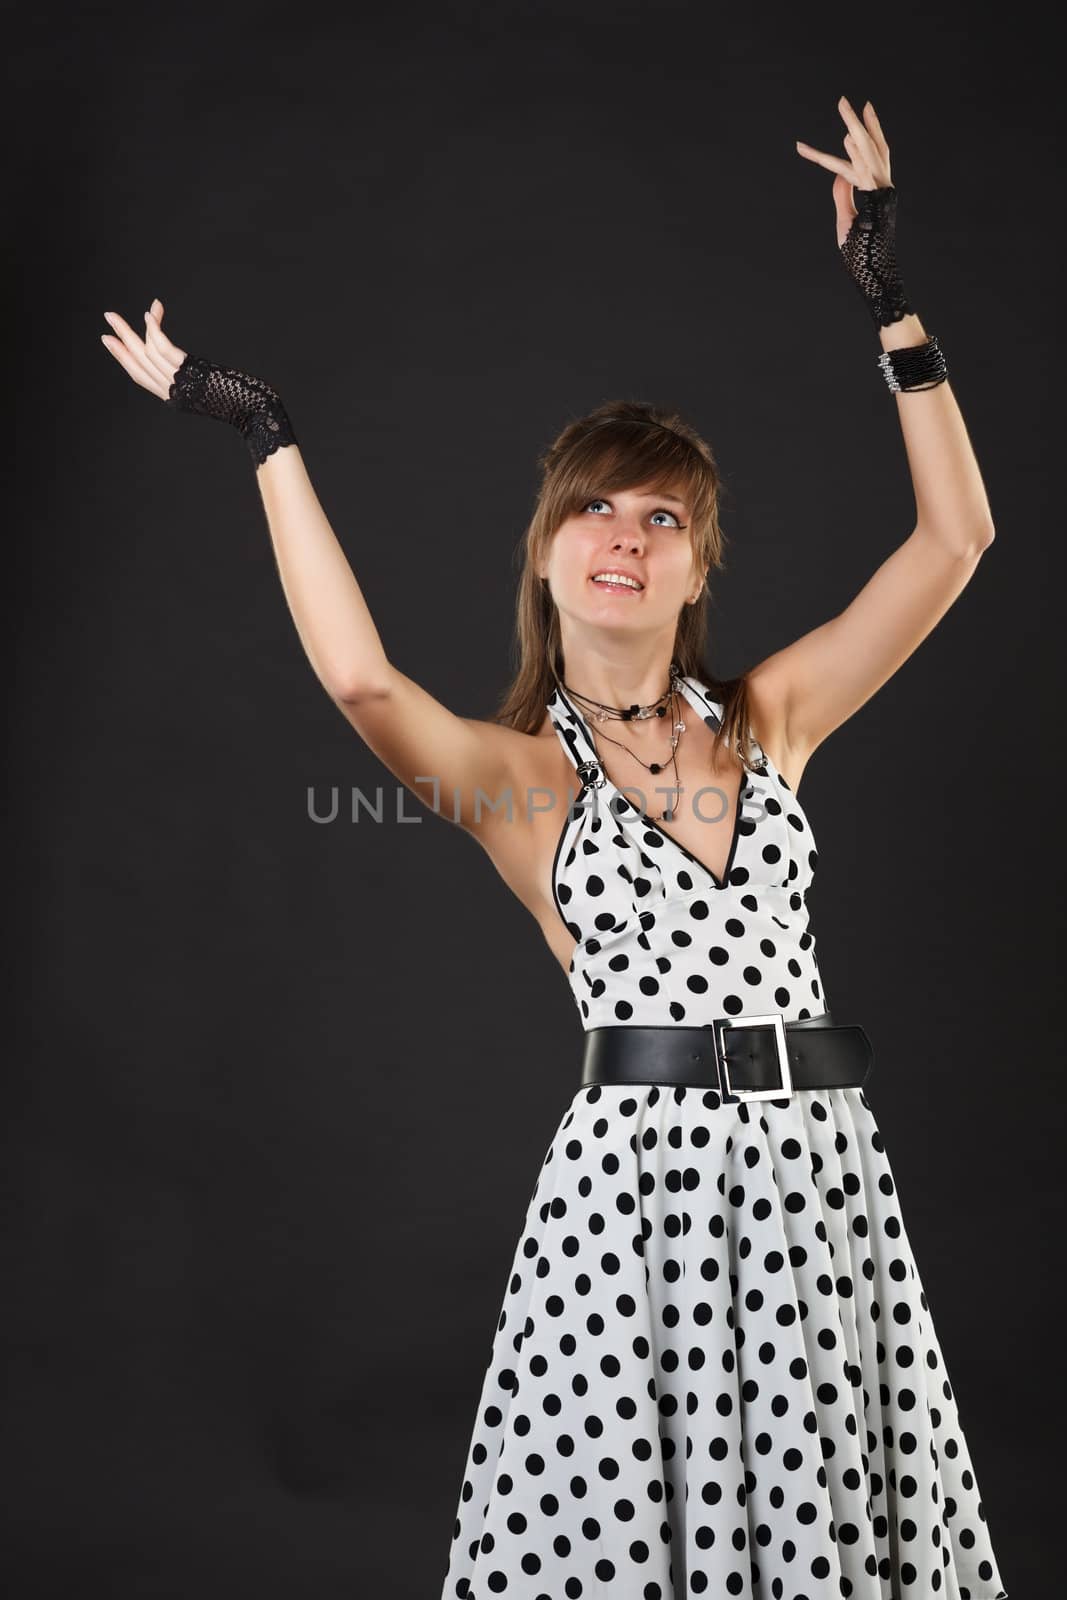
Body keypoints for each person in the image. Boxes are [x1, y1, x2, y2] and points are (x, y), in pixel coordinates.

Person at [101, 96, 1008, 1600]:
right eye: (592, 507)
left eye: (663, 517)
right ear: (544, 551)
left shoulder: (770, 720)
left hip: (817, 1190)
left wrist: (889, 303)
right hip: (632, 1210)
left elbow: (955, 544)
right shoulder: (529, 783)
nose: (623, 536)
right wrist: (268, 435)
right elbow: (363, 684)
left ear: (696, 564)